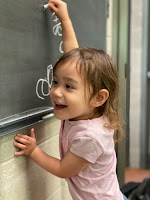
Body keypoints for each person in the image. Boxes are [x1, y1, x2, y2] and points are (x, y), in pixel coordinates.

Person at [14, 0, 128, 199]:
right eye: (55, 82)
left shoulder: (89, 137)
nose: (57, 92)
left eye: (68, 86)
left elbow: (63, 170)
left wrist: (34, 151)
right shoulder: (86, 109)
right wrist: (65, 20)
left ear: (98, 97)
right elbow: (72, 57)